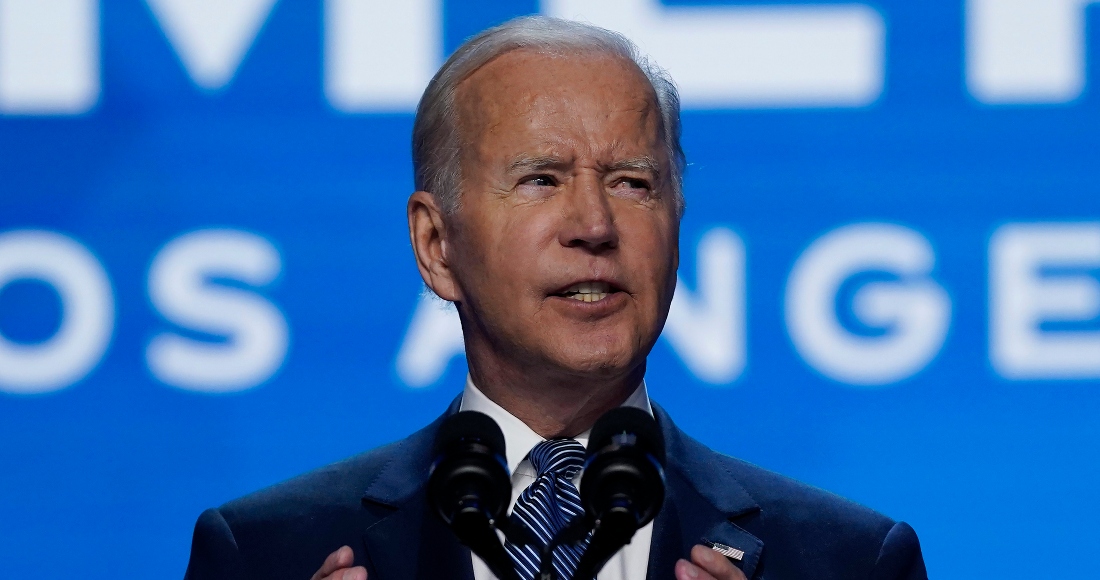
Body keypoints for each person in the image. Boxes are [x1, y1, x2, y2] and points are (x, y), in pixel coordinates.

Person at [183, 16, 927, 580]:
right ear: (436, 246)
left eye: (633, 182)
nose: (596, 226)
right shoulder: (265, 552)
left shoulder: (851, 560)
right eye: (541, 179)